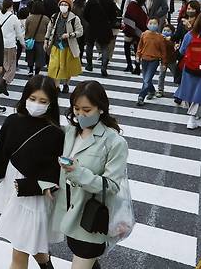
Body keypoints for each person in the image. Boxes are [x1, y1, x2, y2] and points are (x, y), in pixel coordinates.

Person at [0, 75, 64, 269]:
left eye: (43, 101)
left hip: (33, 198)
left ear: (51, 104)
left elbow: (55, 175)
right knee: (30, 243)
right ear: (25, 97)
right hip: (13, 188)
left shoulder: (56, 134)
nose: (37, 104)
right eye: (33, 99)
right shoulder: (12, 122)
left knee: (20, 252)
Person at [51, 81, 128, 269]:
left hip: (90, 220)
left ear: (101, 109)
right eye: (76, 109)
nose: (80, 114)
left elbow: (111, 186)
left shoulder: (114, 142)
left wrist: (78, 172)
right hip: (67, 214)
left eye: (86, 110)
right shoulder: (70, 132)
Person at [44, 0, 83, 94]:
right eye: (61, 4)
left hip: (68, 47)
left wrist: (70, 35)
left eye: (65, 5)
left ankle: (66, 84)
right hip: (56, 45)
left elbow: (80, 31)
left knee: (67, 67)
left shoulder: (74, 18)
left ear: (69, 7)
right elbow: (49, 29)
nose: (63, 7)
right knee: (54, 66)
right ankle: (56, 87)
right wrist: (46, 40)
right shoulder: (55, 16)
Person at [135, 18, 171, 106]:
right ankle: (151, 91)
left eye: (155, 23)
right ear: (147, 24)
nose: (152, 25)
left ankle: (141, 97)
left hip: (154, 61)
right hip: (144, 59)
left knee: (146, 79)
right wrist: (138, 55)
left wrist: (163, 63)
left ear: (158, 25)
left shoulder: (160, 37)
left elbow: (163, 51)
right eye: (151, 23)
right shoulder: (144, 34)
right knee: (146, 79)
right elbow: (140, 46)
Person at [83, 0, 117, 77]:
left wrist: (91, 20)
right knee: (105, 47)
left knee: (89, 45)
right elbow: (114, 16)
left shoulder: (91, 1)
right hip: (105, 27)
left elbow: (85, 14)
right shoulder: (110, 2)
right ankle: (104, 67)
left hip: (92, 26)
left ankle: (89, 65)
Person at [123, 0, 148, 75]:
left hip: (129, 31)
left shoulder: (131, 5)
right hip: (139, 31)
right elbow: (144, 18)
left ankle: (129, 65)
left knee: (127, 47)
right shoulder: (141, 4)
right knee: (137, 49)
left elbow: (127, 18)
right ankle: (137, 66)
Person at [25, 0, 50, 76]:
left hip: (30, 40)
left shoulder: (29, 18)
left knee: (30, 56)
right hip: (41, 41)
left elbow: (26, 29)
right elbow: (48, 30)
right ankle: (37, 72)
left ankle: (30, 70)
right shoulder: (46, 19)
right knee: (40, 58)